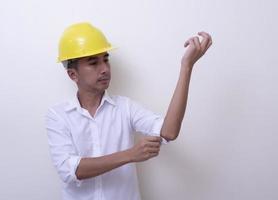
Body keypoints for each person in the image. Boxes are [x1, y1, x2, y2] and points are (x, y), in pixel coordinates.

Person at [45, 22, 212, 200]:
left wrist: (186, 67)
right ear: (73, 75)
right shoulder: (58, 116)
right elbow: (70, 170)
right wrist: (130, 154)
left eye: (106, 59)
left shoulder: (125, 108)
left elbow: (169, 132)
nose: (104, 69)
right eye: (93, 63)